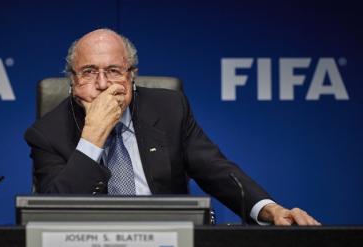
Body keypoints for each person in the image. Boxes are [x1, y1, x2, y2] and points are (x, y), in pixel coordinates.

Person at [24, 28, 320, 225]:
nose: (102, 85)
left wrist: (270, 210)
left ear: (131, 77)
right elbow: (50, 215)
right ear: (73, 82)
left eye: (113, 71)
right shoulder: (46, 133)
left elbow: (215, 170)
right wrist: (93, 135)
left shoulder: (169, 108)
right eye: (89, 73)